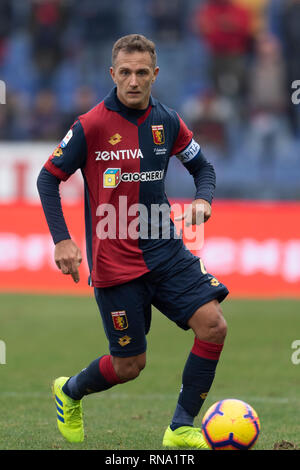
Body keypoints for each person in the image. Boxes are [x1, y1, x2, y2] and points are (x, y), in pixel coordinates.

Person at [37, 34, 229, 449]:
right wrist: (63, 241)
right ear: (113, 74)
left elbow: (204, 168)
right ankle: (69, 391)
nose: (134, 80)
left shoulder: (168, 122)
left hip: (165, 247)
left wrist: (203, 200)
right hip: (115, 262)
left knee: (213, 326)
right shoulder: (90, 125)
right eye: (125, 72)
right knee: (129, 365)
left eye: (142, 72)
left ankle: (180, 427)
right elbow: (47, 178)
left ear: (155, 75)